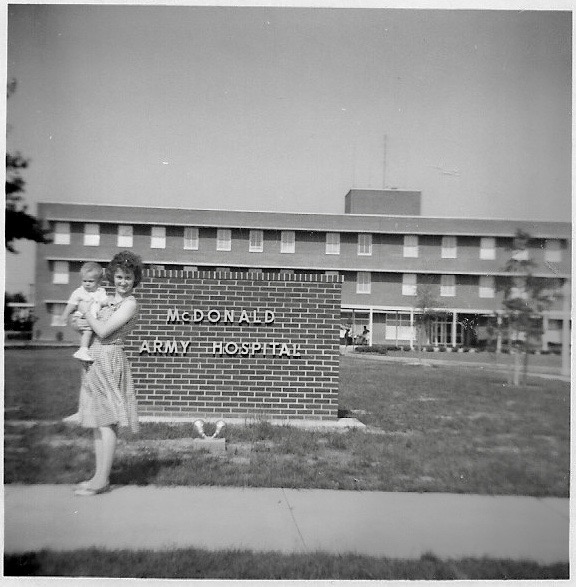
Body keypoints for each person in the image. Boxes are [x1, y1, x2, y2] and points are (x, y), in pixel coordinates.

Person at [71, 251, 142, 497]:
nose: (123, 282)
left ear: (135, 279)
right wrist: (81, 322)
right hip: (94, 359)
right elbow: (88, 326)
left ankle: (102, 480)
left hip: (110, 358)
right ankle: (98, 476)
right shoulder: (106, 300)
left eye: (128, 277)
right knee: (96, 420)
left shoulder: (129, 304)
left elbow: (103, 331)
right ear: (112, 277)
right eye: (119, 277)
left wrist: (87, 314)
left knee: (107, 420)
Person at [57, 262, 110, 362]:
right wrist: (64, 315)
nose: (87, 284)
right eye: (84, 281)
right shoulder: (79, 292)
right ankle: (82, 350)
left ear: (99, 281)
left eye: (91, 281)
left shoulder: (100, 292)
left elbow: (104, 301)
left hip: (91, 319)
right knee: (88, 331)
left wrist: (109, 301)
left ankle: (86, 351)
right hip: (80, 318)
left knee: (91, 333)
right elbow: (71, 304)